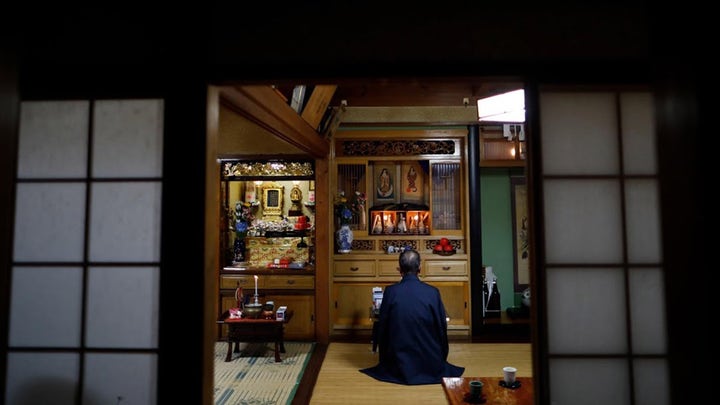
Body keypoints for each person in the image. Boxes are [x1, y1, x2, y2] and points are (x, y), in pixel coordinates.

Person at [359, 249, 465, 385]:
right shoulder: (432, 292)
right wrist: (442, 357)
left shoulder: (391, 292)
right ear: (419, 268)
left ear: (399, 269)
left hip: (398, 363)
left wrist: (384, 359)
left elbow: (382, 328)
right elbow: (441, 328)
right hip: (430, 361)